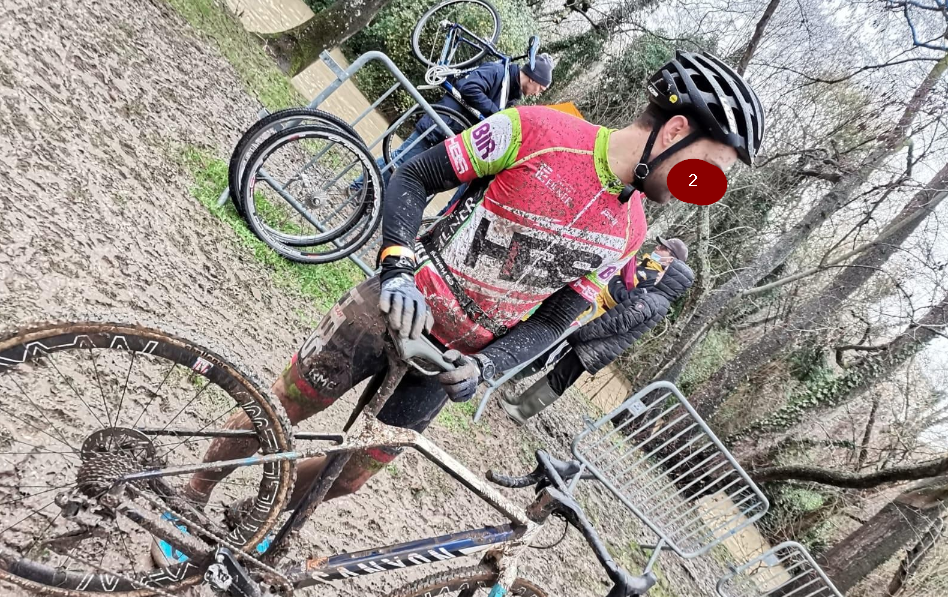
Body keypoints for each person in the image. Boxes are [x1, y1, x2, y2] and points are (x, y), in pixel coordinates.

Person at [153, 50, 764, 565]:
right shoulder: (537, 130)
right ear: (675, 132)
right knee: (281, 407)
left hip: (448, 361)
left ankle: (249, 517)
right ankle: (192, 494)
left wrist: (488, 366)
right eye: (709, 169)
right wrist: (397, 267)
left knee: (354, 473)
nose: (703, 191)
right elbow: (414, 176)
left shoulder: (632, 231)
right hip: (390, 305)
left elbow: (557, 318)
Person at [499, 240, 693, 425]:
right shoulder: (654, 294)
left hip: (596, 340)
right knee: (558, 369)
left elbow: (622, 319)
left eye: (663, 249)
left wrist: (586, 332)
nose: (657, 249)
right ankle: (520, 401)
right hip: (595, 334)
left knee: (559, 373)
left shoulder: (652, 298)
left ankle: (522, 410)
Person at [354, 53, 555, 191]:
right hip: (440, 125)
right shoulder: (497, 71)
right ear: (533, 78)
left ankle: (368, 196)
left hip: (449, 136)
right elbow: (470, 88)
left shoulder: (510, 93)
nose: (538, 93)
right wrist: (496, 114)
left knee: (406, 168)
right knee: (399, 160)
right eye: (541, 88)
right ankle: (357, 187)